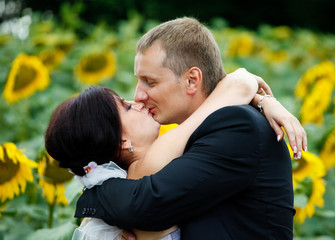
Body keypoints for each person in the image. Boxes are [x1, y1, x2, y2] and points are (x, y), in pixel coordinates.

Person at [72, 17, 306, 239]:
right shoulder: (205, 127)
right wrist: (256, 97)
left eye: (150, 82)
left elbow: (146, 204)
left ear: (192, 80)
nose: (138, 96)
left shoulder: (237, 127)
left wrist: (94, 194)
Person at [45, 69, 260, 239]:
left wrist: (262, 101)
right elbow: (233, 91)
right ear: (123, 141)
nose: (137, 102)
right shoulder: (151, 165)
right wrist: (254, 93)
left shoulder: (123, 189)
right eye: (126, 108)